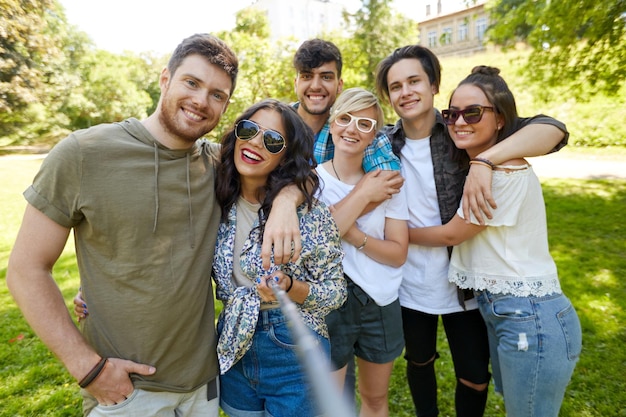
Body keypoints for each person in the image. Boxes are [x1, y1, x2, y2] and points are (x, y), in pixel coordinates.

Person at [6, 33, 304, 417]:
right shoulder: (83, 154)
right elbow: (27, 269)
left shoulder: (220, 165)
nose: (201, 101)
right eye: (192, 83)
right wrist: (88, 369)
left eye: (218, 94)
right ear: (165, 79)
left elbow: (294, 170)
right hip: (126, 390)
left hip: (203, 385)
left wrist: (286, 200)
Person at [374, 45, 570, 417]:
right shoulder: (384, 143)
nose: (406, 92)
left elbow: (553, 130)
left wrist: (483, 160)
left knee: (474, 375)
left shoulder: (462, 128)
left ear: (433, 84)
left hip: (464, 282)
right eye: (395, 86)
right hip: (409, 281)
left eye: (414, 80)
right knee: (419, 362)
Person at [213, 98, 347, 417]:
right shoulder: (215, 200)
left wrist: (290, 286)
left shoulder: (309, 215)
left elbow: (336, 293)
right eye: (249, 130)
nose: (256, 143)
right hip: (233, 348)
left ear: (285, 157)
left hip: (293, 352)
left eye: (273, 140)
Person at [316, 87, 409, 417]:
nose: (352, 129)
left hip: (379, 302)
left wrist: (353, 234)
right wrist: (363, 194)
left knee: (375, 400)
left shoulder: (390, 183)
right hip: (330, 305)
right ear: (332, 122)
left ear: (374, 135)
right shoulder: (312, 182)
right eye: (345, 118)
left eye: (365, 124)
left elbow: (398, 253)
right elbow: (320, 242)